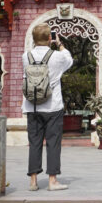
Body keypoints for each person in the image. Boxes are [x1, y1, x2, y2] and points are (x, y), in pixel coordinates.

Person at [23, 23, 74, 191]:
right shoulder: (57, 57)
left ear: (34, 39)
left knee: (34, 143)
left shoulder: (26, 56)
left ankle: (33, 181)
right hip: (53, 106)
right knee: (53, 143)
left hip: (32, 106)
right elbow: (69, 59)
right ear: (50, 38)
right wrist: (59, 44)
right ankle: (52, 181)